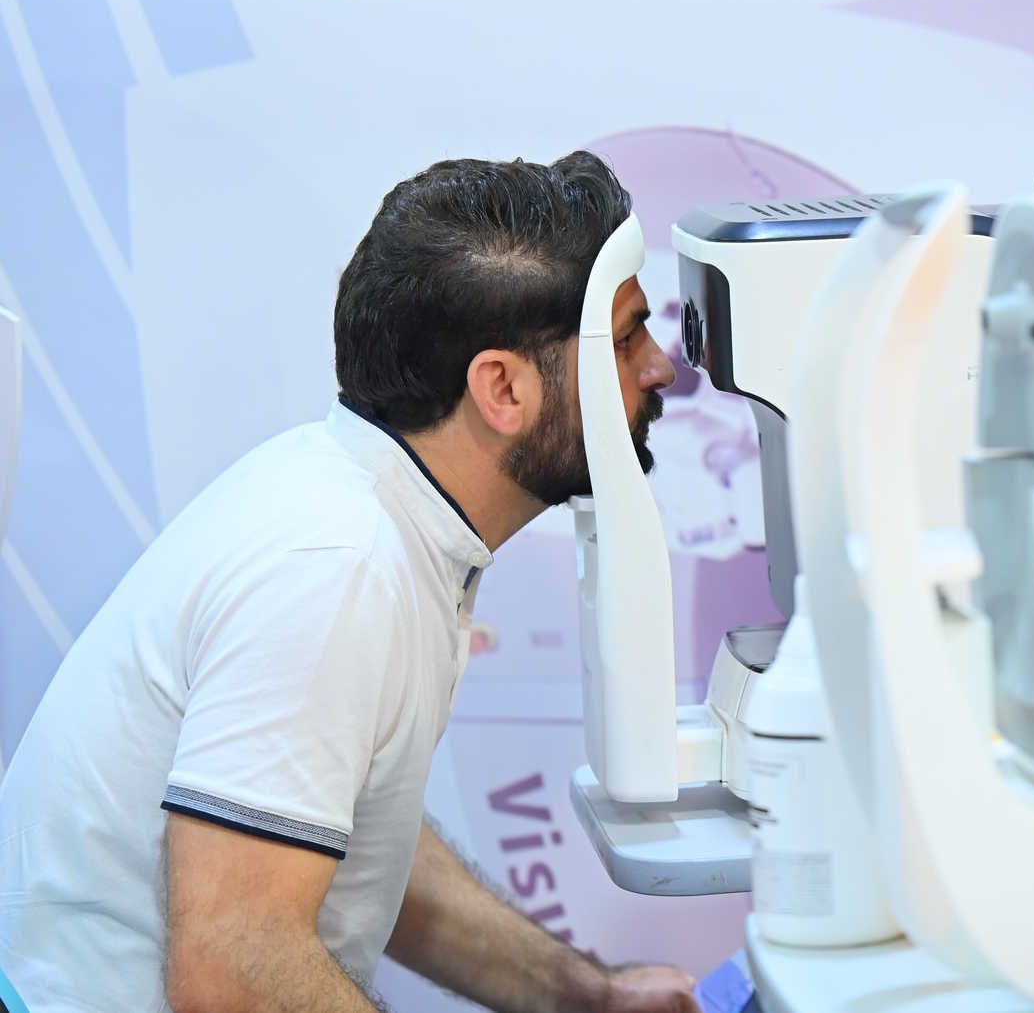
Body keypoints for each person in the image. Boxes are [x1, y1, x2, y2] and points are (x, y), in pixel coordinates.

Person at [0, 152, 697, 1012]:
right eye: (625, 339)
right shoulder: (336, 566)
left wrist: (585, 994)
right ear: (502, 388)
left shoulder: (385, 519)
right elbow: (230, 971)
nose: (661, 368)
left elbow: (341, 833)